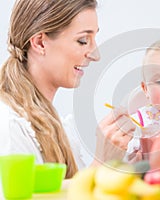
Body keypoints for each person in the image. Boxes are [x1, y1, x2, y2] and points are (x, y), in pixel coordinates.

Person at [0, 0, 101, 179]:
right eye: (83, 41)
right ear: (40, 42)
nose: (96, 55)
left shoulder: (56, 127)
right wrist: (103, 160)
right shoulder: (10, 128)